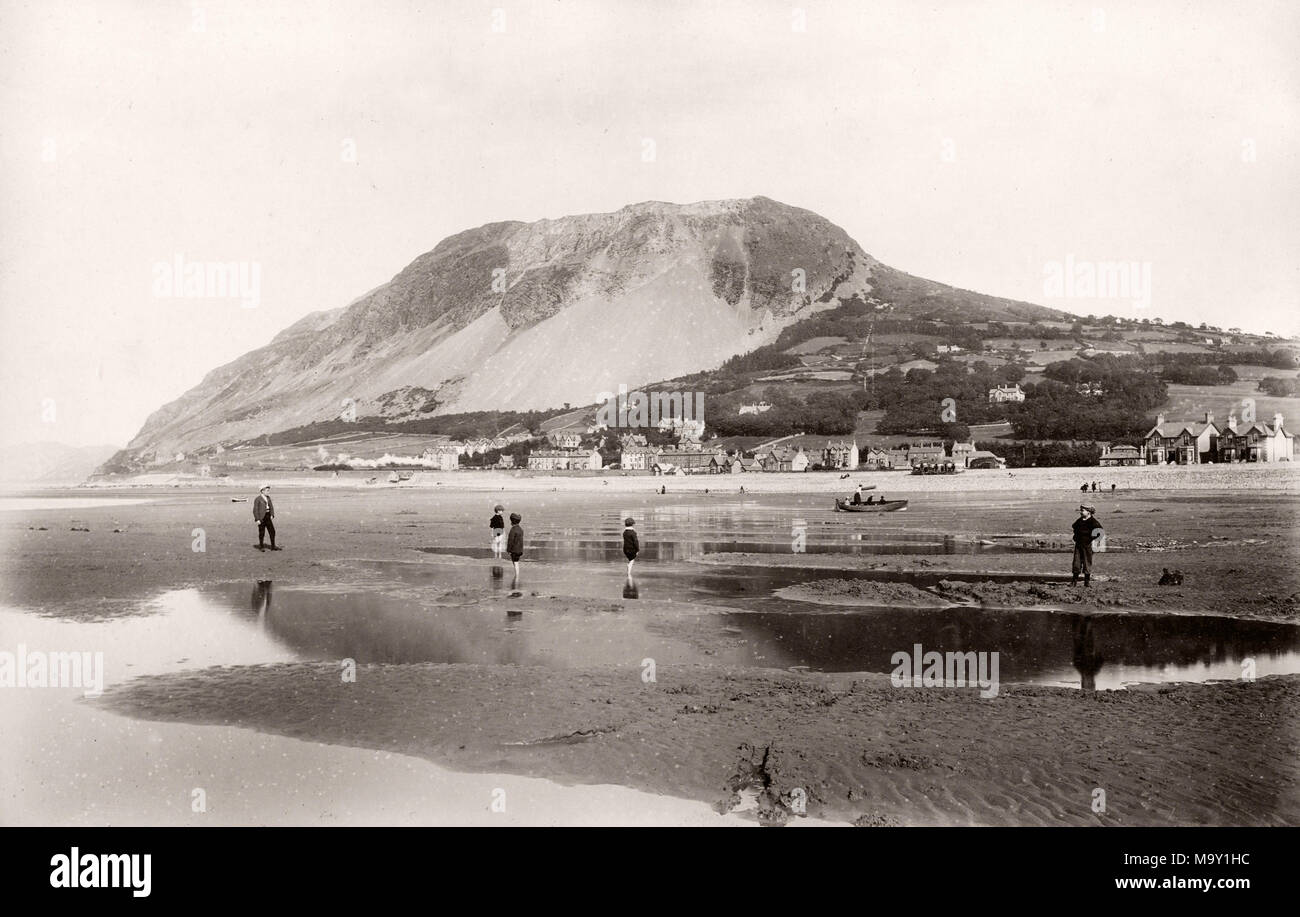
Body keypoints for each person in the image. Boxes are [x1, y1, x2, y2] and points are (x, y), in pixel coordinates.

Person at [1071, 504, 1102, 586]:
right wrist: (1075, 537)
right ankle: (1074, 581)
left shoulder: (1093, 522)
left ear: (1089, 512)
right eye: (1080, 510)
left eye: (1082, 510)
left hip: (1088, 545)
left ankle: (1086, 582)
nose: (1080, 512)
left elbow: (1100, 532)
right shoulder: (1080, 520)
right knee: (1076, 563)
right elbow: (1074, 527)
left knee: (1087, 562)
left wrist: (1093, 540)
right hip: (1078, 545)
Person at [253, 485, 279, 550]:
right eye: (267, 490)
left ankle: (273, 546)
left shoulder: (268, 498)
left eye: (268, 490)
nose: (268, 492)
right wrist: (257, 519)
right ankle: (261, 546)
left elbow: (271, 507)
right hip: (261, 517)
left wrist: (272, 514)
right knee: (262, 532)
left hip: (268, 516)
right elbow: (255, 510)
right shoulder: (258, 499)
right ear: (262, 491)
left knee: (272, 531)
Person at [506, 512, 524, 579]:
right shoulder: (520, 529)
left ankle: (517, 576)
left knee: (515, 562)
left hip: (514, 550)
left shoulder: (513, 530)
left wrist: (508, 549)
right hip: (520, 549)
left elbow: (510, 541)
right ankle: (517, 575)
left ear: (512, 522)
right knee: (516, 562)